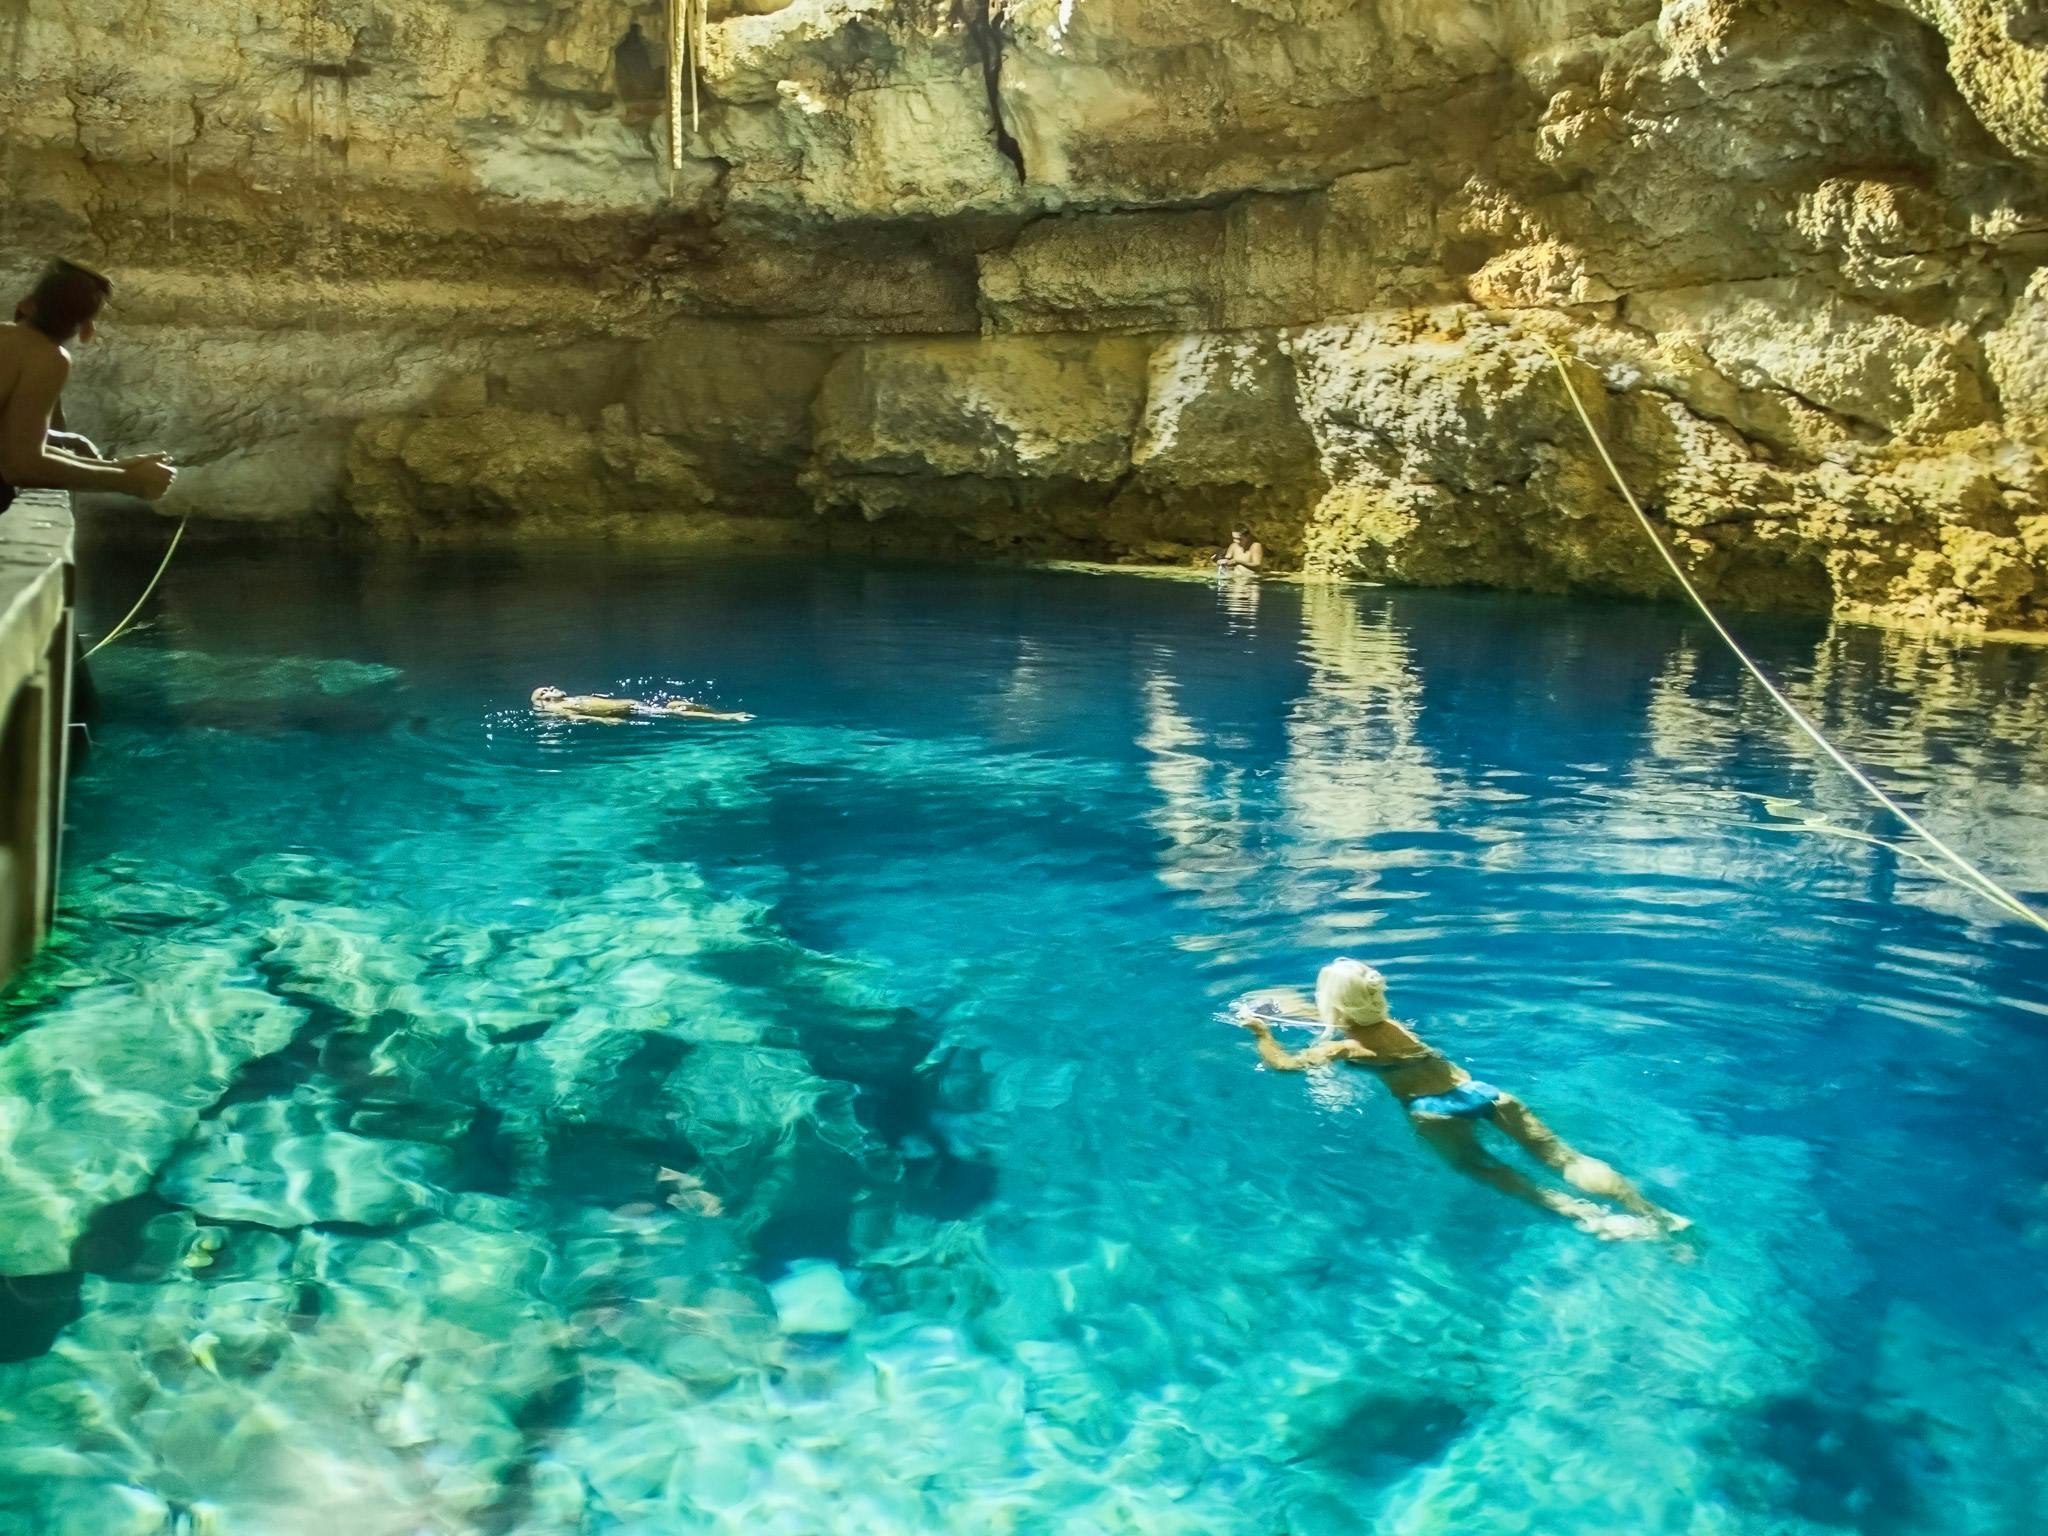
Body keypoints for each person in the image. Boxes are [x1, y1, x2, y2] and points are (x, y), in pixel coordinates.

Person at [1237, 959, 1687, 1240]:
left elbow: (1285, 1065)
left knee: (1484, 1167)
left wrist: (1261, 1033)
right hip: (1482, 1092)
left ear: (1334, 1005)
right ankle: (1657, 1215)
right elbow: (1350, 1018)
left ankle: (1588, 1217)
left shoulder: (1347, 1047)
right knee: (1564, 1158)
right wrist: (1294, 1009)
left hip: (1434, 1113)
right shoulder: (1395, 1026)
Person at [0, 259, 177, 514]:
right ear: (87, 329)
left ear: (27, 304)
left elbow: (13, 445)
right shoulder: (47, 356)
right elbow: (20, 465)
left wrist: (117, 467)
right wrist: (130, 482)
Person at [531, 686, 752, 723]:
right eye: (544, 691)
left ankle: (717, 713)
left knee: (675, 705)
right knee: (676, 712)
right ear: (543, 700)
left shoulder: (567, 699)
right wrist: (603, 721)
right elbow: (574, 717)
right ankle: (724, 717)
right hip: (627, 711)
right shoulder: (553, 707)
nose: (551, 688)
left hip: (631, 705)